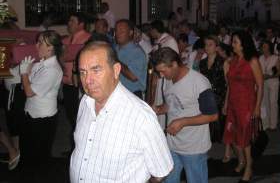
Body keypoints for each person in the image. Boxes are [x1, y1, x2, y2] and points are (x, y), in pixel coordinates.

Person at [70, 42, 173, 182]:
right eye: (83, 72)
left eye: (96, 70)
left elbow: (161, 170)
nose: (88, 80)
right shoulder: (85, 101)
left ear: (116, 70)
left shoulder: (141, 116)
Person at [152, 47, 218, 183]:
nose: (161, 76)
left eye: (163, 71)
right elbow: (172, 104)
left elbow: (212, 115)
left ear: (175, 64)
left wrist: (182, 122)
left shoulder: (199, 82)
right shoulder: (168, 79)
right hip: (171, 144)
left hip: (193, 147)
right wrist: (158, 109)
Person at [19, 31, 64, 172]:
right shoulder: (41, 64)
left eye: (40, 43)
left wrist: (24, 73)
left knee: (39, 161)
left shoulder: (53, 69)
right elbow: (24, 85)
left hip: (43, 119)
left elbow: (29, 92)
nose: (36, 45)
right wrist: (26, 73)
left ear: (50, 47)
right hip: (31, 114)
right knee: (27, 154)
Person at [223, 30, 263, 182]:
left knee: (244, 137)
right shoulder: (233, 60)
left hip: (246, 104)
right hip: (233, 103)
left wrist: (257, 107)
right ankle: (242, 161)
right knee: (232, 135)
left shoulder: (252, 61)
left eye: (235, 42)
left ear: (243, 44)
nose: (232, 44)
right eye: (232, 41)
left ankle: (249, 166)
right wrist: (226, 102)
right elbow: (230, 85)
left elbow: (260, 85)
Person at [62, 12, 91, 130]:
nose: (69, 24)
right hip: (66, 83)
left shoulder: (88, 38)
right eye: (69, 21)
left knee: (81, 118)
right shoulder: (66, 40)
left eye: (72, 21)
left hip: (80, 85)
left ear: (81, 24)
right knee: (71, 115)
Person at [200, 35, 227, 143]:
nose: (207, 47)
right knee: (207, 124)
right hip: (206, 96)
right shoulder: (202, 63)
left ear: (216, 47)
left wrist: (226, 101)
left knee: (218, 125)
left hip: (219, 97)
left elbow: (228, 83)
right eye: (206, 45)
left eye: (210, 45)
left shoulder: (223, 62)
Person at [114, 19, 147, 99]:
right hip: (117, 93)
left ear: (130, 33)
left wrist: (115, 60)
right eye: (116, 31)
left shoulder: (137, 52)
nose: (118, 34)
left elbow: (133, 76)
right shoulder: (116, 48)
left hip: (132, 95)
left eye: (122, 31)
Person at [259, 40, 280, 130]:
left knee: (273, 102)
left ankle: (273, 124)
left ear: (269, 47)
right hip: (263, 82)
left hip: (273, 81)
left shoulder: (275, 58)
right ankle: (265, 123)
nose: (263, 48)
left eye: (264, 46)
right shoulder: (260, 58)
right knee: (264, 103)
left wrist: (270, 76)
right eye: (262, 46)